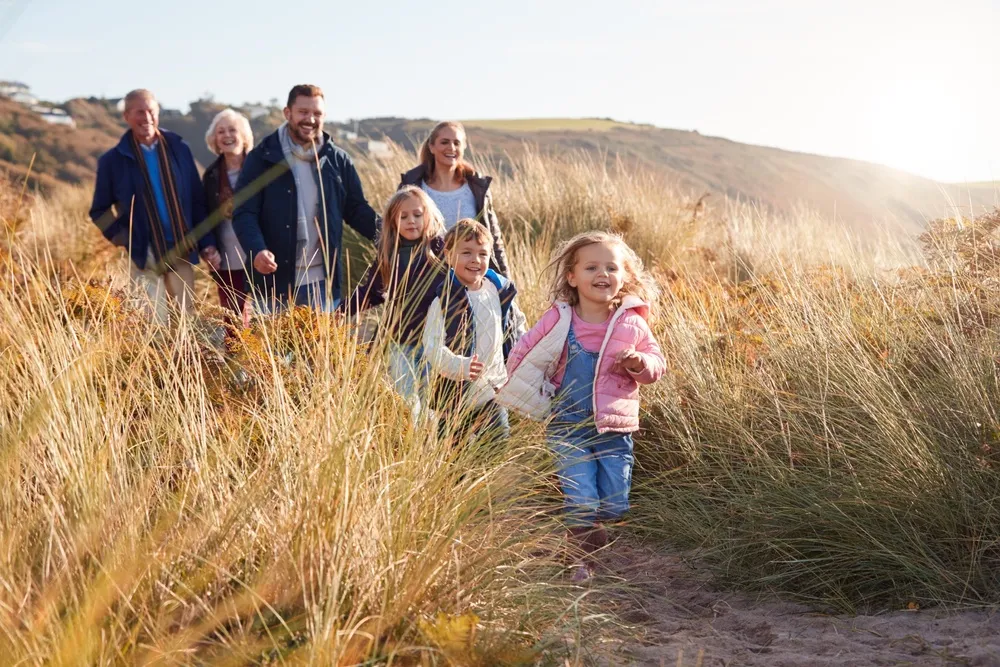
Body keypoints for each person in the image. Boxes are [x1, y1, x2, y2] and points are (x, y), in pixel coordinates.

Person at [497, 231, 666, 582]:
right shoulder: (559, 320)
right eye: (591, 267)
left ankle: (588, 538)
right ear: (572, 278)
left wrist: (638, 364)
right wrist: (532, 394)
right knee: (582, 500)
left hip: (614, 429)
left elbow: (656, 365)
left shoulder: (631, 322)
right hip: (567, 424)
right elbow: (523, 353)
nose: (601, 274)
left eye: (611, 267)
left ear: (625, 277)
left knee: (615, 503)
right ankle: (580, 559)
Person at [232, 84, 380, 313]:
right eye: (303, 112)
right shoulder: (261, 158)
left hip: (323, 284)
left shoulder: (338, 160)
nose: (310, 119)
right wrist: (256, 249)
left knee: (321, 349)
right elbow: (244, 212)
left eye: (317, 114)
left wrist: (390, 235)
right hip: (274, 283)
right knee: (275, 350)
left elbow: (356, 209)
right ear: (287, 113)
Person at [89, 89, 220, 323]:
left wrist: (207, 243)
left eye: (151, 111)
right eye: (140, 112)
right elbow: (99, 211)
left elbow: (197, 199)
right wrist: (125, 238)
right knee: (151, 324)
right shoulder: (112, 160)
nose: (147, 118)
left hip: (181, 248)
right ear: (127, 116)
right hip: (144, 254)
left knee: (184, 322)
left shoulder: (179, 148)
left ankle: (185, 360)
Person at [343, 186, 447, 418]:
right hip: (402, 342)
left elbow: (465, 282)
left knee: (434, 404)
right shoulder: (389, 253)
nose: (412, 221)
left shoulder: (442, 249)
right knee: (408, 404)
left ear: (428, 215)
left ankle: (434, 449)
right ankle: (413, 446)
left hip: (437, 342)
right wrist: (339, 312)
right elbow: (371, 293)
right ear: (393, 221)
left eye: (417, 215)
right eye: (404, 216)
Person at [422, 219, 526, 445]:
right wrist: (460, 366)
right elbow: (432, 346)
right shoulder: (444, 301)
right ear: (449, 256)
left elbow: (516, 324)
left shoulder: (499, 291)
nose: (476, 260)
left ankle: (484, 479)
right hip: (455, 396)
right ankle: (455, 480)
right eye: (466, 252)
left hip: (492, 391)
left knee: (498, 443)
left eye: (482, 254)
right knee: (453, 454)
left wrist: (521, 355)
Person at [399, 121, 509, 276]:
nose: (451, 147)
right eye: (444, 142)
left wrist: (505, 282)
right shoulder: (412, 186)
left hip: (470, 276)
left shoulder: (477, 187)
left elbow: (493, 238)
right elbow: (394, 233)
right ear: (431, 147)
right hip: (424, 278)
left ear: (463, 147)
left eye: (456, 143)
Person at [202, 108, 253, 337]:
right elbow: (204, 216)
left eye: (232, 129)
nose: (227, 135)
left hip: (260, 254)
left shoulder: (259, 167)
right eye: (221, 131)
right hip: (227, 258)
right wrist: (208, 247)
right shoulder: (211, 175)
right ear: (215, 140)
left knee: (266, 314)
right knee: (233, 317)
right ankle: (237, 369)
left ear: (243, 135)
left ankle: (268, 368)